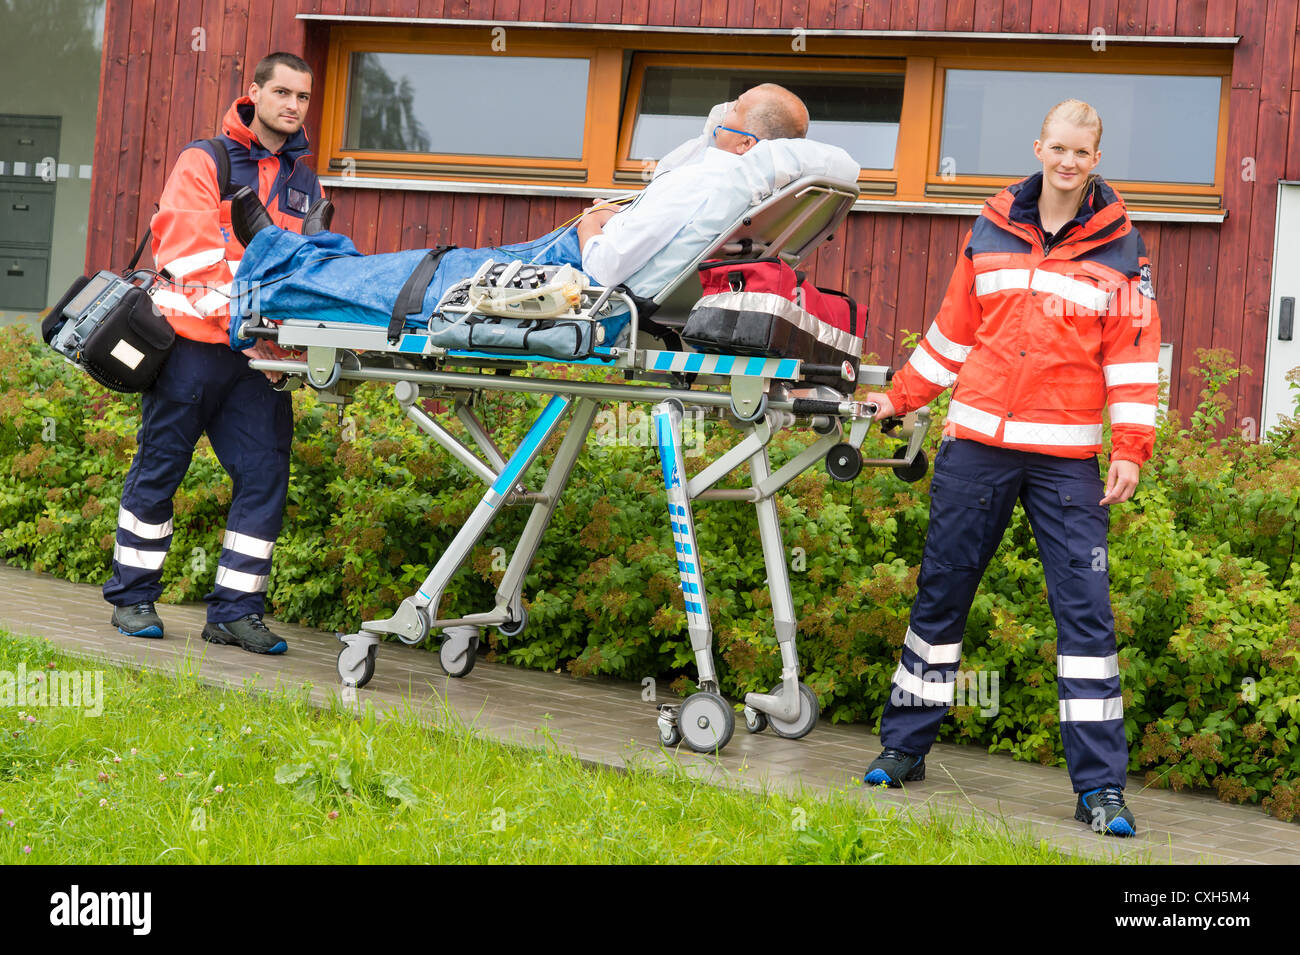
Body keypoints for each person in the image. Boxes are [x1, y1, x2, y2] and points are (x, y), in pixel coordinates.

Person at [860, 100, 1160, 837]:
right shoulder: (990, 224)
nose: (1066, 161)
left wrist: (1130, 449)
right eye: (1057, 147)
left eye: (1081, 153)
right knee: (941, 596)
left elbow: (1133, 356)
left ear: (1096, 158)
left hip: (1065, 464)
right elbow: (954, 331)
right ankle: (903, 747)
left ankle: (1101, 791)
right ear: (1039, 146)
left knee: (1086, 615)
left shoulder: (1123, 248)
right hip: (976, 447)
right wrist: (898, 397)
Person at [224, 84, 849, 343]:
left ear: (745, 137)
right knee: (408, 269)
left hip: (567, 278)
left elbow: (609, 262)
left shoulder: (711, 180)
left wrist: (594, 225)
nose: (719, 112)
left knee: (413, 280)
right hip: (576, 277)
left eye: (732, 108)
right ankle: (306, 249)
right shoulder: (741, 186)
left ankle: (270, 259)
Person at [103, 52, 326, 655]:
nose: (293, 106)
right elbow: (189, 252)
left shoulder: (306, 181)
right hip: (191, 348)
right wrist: (249, 315)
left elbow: (303, 263)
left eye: (303, 98)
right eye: (282, 92)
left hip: (259, 359)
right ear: (253, 92)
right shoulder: (206, 158)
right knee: (160, 470)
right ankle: (132, 598)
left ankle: (234, 612)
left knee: (264, 476)